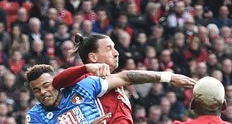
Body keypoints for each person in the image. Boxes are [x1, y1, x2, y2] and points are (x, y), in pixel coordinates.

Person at [52, 33, 196, 123]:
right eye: (109, 48)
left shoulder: (111, 80)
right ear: (93, 57)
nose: (116, 53)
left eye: (114, 47)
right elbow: (57, 82)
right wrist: (168, 77)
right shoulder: (87, 79)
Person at [26, 63, 195, 123]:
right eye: (36, 90)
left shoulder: (83, 87)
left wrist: (168, 77)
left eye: (46, 85)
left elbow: (126, 77)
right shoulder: (35, 116)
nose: (43, 92)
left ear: (56, 82)